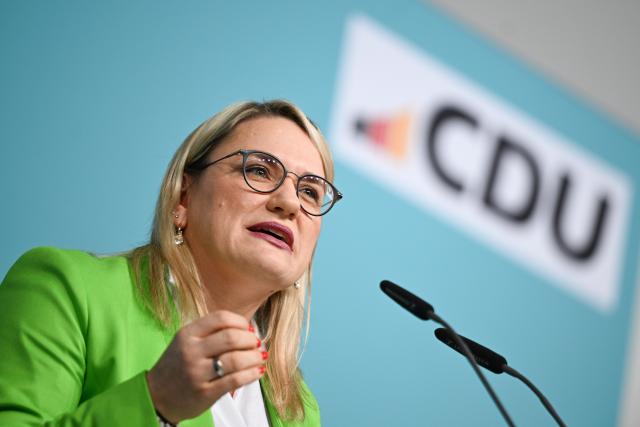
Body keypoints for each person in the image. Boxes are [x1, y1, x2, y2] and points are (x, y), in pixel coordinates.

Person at [0, 100, 342, 426]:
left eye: (310, 192)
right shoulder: (67, 290)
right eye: (259, 170)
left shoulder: (297, 408)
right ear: (182, 197)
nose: (289, 202)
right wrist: (157, 404)